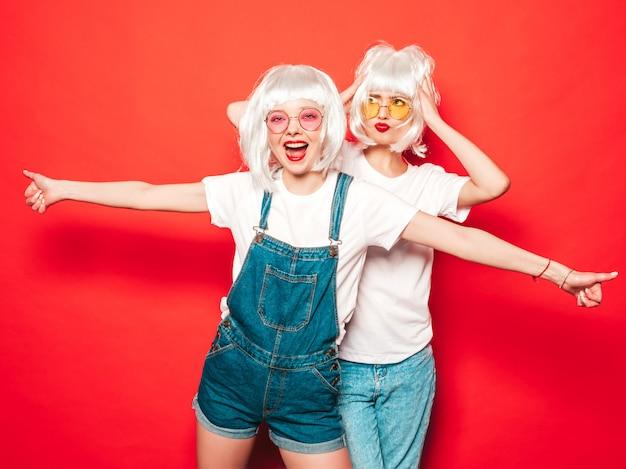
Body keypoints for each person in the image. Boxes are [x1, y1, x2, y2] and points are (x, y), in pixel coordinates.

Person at [24, 64, 615, 469]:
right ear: (262, 130)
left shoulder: (360, 201)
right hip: (230, 375)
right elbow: (149, 193)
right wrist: (64, 188)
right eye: (277, 120)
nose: (293, 131)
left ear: (331, 124)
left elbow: (461, 241)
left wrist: (557, 273)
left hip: (312, 389)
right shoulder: (244, 190)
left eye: (310, 117)